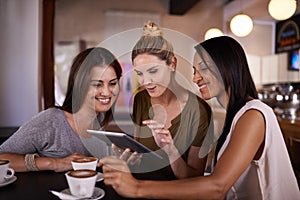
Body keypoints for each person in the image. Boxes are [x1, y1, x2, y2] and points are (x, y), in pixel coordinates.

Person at [101, 36, 299, 199]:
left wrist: (137, 189)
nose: (195, 78)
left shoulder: (254, 115)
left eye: (203, 68)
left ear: (227, 67)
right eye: (195, 71)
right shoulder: (238, 115)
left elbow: (217, 186)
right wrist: (169, 150)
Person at [0, 47, 122, 172]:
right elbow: (1, 157)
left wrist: (118, 159)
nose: (107, 92)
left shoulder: (99, 118)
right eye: (97, 84)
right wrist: (53, 163)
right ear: (79, 84)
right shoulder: (51, 120)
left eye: (112, 83)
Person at [118, 21, 213, 180]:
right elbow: (139, 151)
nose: (146, 81)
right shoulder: (140, 99)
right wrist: (129, 160)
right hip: (139, 188)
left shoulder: (199, 111)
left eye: (153, 71)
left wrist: (170, 150)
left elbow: (194, 178)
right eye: (139, 74)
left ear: (172, 64)